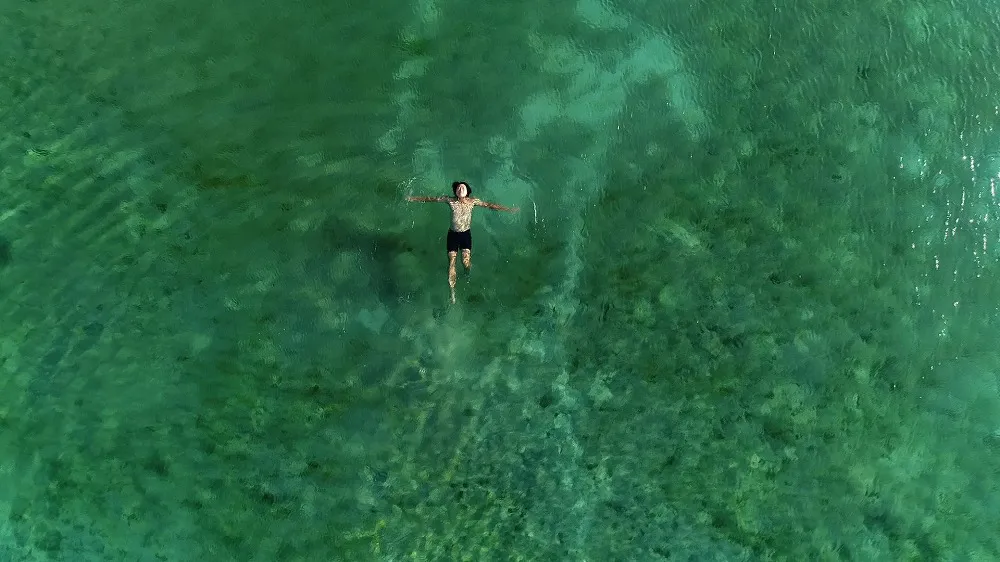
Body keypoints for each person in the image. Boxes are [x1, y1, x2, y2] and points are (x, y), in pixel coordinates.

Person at [406, 181, 519, 303]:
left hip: (465, 235)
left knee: (466, 262)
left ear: (467, 191)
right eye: (458, 187)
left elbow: (489, 205)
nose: (460, 188)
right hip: (453, 235)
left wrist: (508, 209)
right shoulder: (450, 200)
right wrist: (412, 198)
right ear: (455, 191)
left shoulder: (473, 201)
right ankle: (452, 293)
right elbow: (430, 199)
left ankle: (469, 274)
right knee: (452, 263)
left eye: (463, 187)